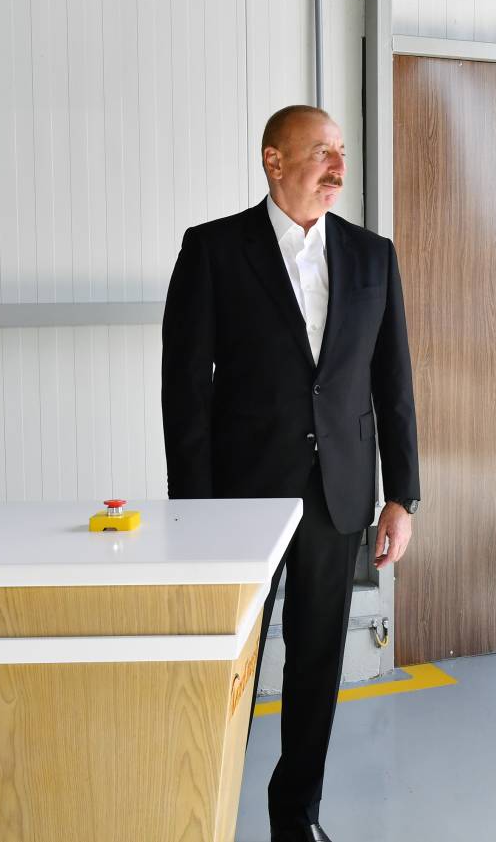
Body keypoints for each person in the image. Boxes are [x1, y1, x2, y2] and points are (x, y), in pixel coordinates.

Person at [161, 104, 420, 842]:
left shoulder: (372, 256)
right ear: (273, 161)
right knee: (228, 665)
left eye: (341, 152)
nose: (338, 167)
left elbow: (393, 383)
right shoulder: (213, 250)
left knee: (316, 663)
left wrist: (401, 495)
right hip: (240, 501)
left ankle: (296, 815)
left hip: (338, 495)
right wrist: (193, 510)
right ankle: (203, 813)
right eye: (320, 152)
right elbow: (185, 391)